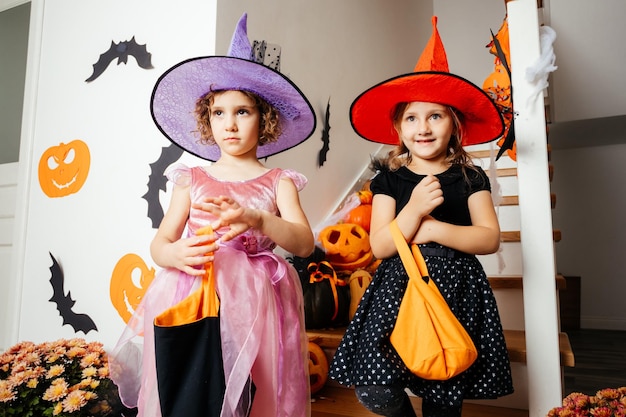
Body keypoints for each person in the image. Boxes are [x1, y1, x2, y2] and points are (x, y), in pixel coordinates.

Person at [110, 13, 316, 417]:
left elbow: (304, 242)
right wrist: (174, 255)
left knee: (252, 389)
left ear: (266, 118)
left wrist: (258, 220)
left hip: (257, 300)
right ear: (207, 120)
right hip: (193, 290)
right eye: (219, 113)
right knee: (191, 385)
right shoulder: (191, 178)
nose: (230, 124)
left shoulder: (279, 181)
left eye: (243, 112)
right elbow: (161, 242)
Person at [328, 16, 514, 417]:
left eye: (436, 116)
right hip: (398, 285)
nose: (423, 128)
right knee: (375, 386)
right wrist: (412, 211)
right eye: (412, 117)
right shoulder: (389, 179)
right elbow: (378, 244)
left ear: (455, 124)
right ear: (398, 126)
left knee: (442, 389)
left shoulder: (469, 176)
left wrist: (434, 227)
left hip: (455, 289)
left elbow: (488, 239)